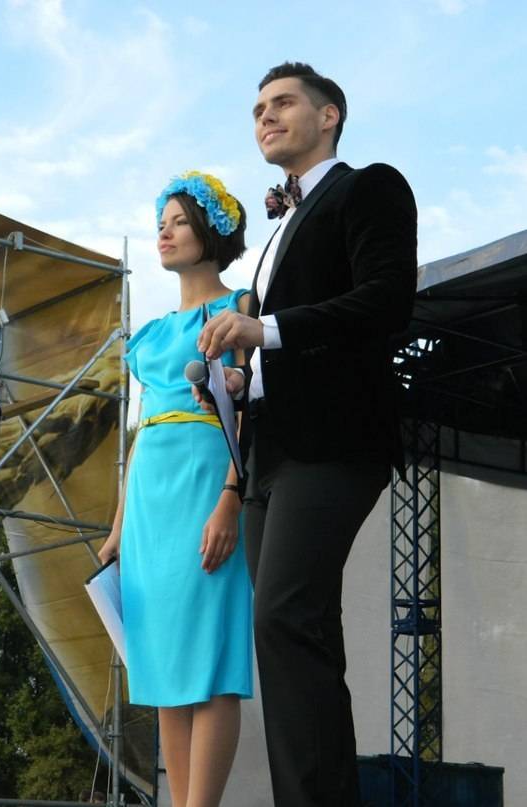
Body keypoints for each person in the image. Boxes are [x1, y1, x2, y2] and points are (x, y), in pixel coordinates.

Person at [197, 63, 418, 806]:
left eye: (282, 102)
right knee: (293, 632)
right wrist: (241, 382)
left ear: (329, 116)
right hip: (270, 450)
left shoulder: (369, 187)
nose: (264, 116)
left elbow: (387, 301)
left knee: (284, 618)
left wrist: (264, 330)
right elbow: (283, 347)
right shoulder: (277, 230)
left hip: (334, 441)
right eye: (257, 108)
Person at [98, 171, 253, 807]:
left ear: (211, 230)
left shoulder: (240, 306)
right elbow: (141, 435)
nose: (164, 232)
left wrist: (231, 498)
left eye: (180, 222)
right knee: (162, 667)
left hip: (207, 485)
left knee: (212, 660)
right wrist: (118, 528)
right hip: (150, 504)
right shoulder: (151, 335)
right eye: (160, 223)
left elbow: (249, 414)